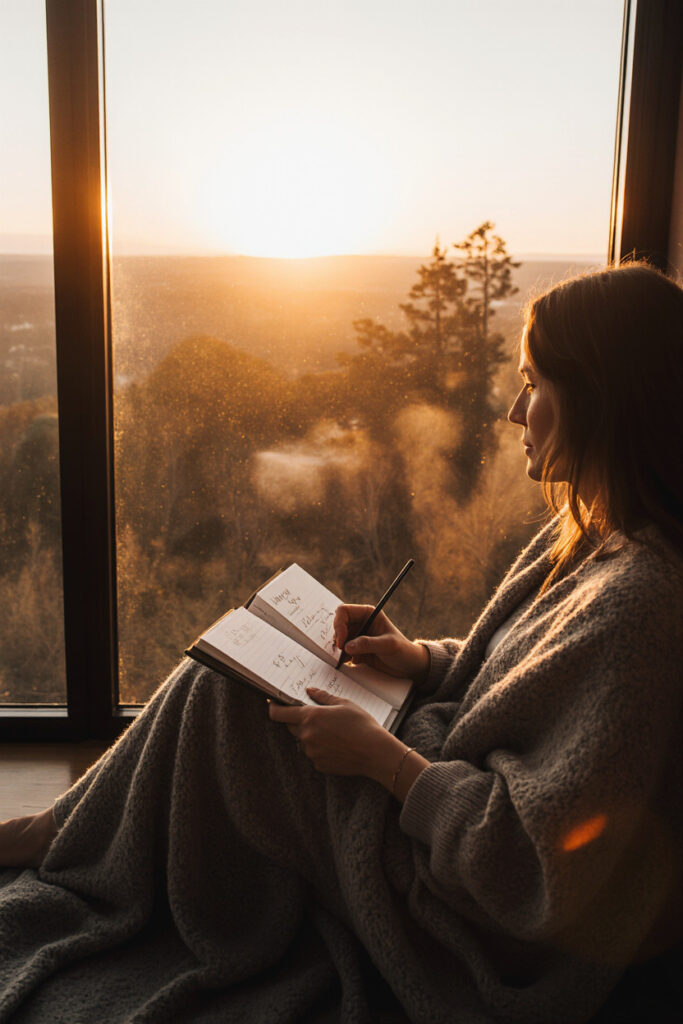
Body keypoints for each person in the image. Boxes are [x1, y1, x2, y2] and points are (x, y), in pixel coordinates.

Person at [0, 262, 681, 1023]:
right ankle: (71, 833)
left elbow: (535, 876)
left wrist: (382, 760)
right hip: (440, 779)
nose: (515, 412)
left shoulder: (640, 605)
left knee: (231, 691)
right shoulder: (593, 533)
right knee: (242, 663)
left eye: (533, 385)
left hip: (466, 920)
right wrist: (420, 658)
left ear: (599, 401)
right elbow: (529, 678)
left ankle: (64, 838)